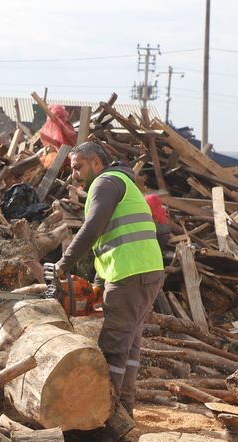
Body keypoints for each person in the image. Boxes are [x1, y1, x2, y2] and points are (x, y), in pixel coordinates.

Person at [56, 142, 165, 421]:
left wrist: (62, 265)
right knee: (129, 346)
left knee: (113, 348)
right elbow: (109, 239)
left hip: (129, 274)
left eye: (78, 167)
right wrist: (97, 282)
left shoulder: (105, 183)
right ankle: (123, 413)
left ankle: (104, 421)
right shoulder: (123, 182)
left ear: (95, 163)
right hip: (145, 272)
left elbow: (93, 229)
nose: (74, 175)